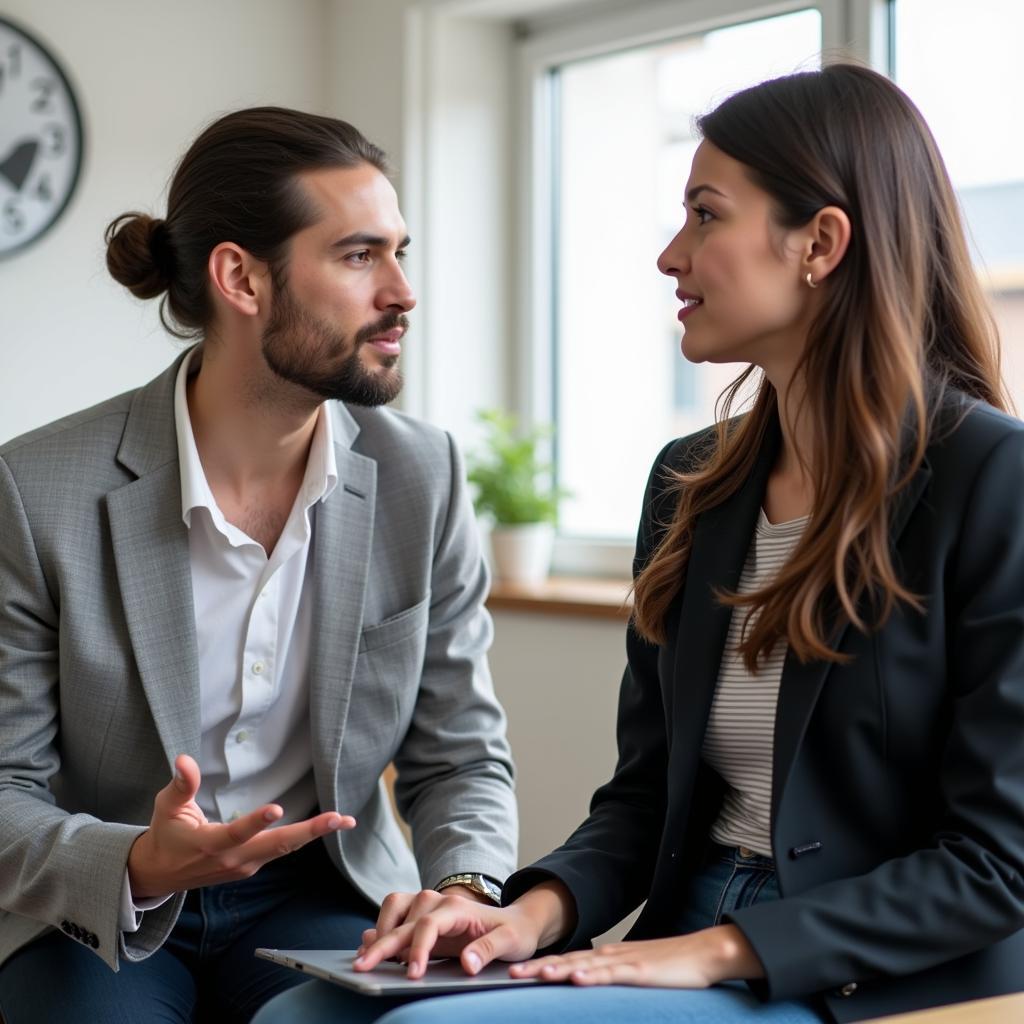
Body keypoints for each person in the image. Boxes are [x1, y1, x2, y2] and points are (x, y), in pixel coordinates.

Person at [251, 62, 1024, 1024]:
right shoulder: (691, 482)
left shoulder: (992, 480)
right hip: (687, 932)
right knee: (302, 1016)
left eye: (706, 215)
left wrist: (712, 954)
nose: (671, 254)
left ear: (820, 243)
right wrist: (524, 912)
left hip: (857, 974)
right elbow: (646, 798)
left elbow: (998, 862)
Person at [0, 107, 517, 1023]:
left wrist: (467, 889)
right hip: (98, 907)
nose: (401, 290)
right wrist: (137, 862)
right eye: (359, 256)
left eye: (400, 252)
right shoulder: (35, 489)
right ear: (240, 276)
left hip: (322, 897)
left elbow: (461, 753)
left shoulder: (418, 474)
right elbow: (5, 785)